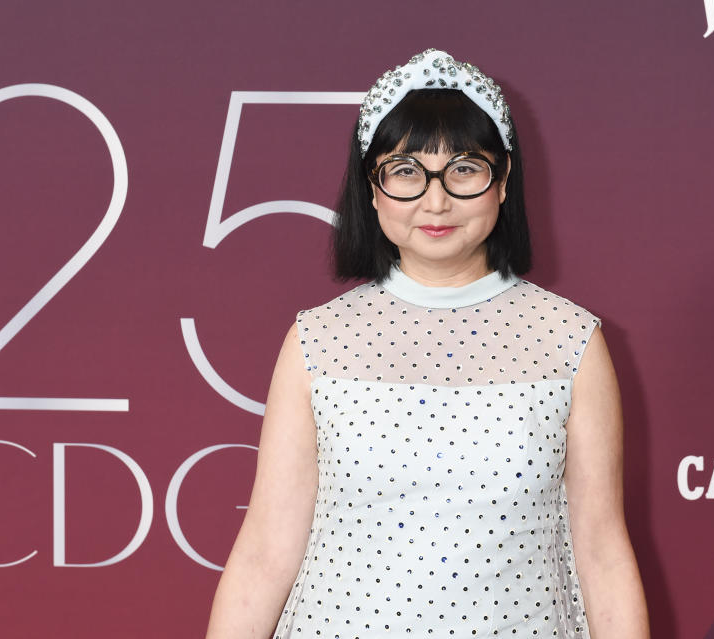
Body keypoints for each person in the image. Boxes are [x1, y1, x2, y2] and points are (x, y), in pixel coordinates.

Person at [205, 48, 649, 639]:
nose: (435, 201)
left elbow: (603, 555)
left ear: (504, 177)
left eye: (464, 169)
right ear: (372, 185)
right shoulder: (317, 340)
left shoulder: (570, 340)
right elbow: (264, 553)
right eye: (406, 171)